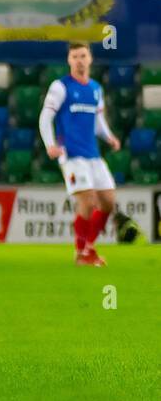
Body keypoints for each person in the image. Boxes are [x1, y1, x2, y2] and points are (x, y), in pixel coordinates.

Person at [40, 43, 125, 266]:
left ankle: (88, 247)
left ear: (90, 59)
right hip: (71, 155)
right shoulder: (60, 87)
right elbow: (45, 117)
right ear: (69, 60)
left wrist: (109, 137)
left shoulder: (96, 88)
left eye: (83, 56)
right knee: (88, 200)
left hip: (93, 155)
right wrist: (50, 144)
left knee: (108, 202)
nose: (79, 60)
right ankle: (82, 253)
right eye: (74, 56)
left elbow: (98, 121)